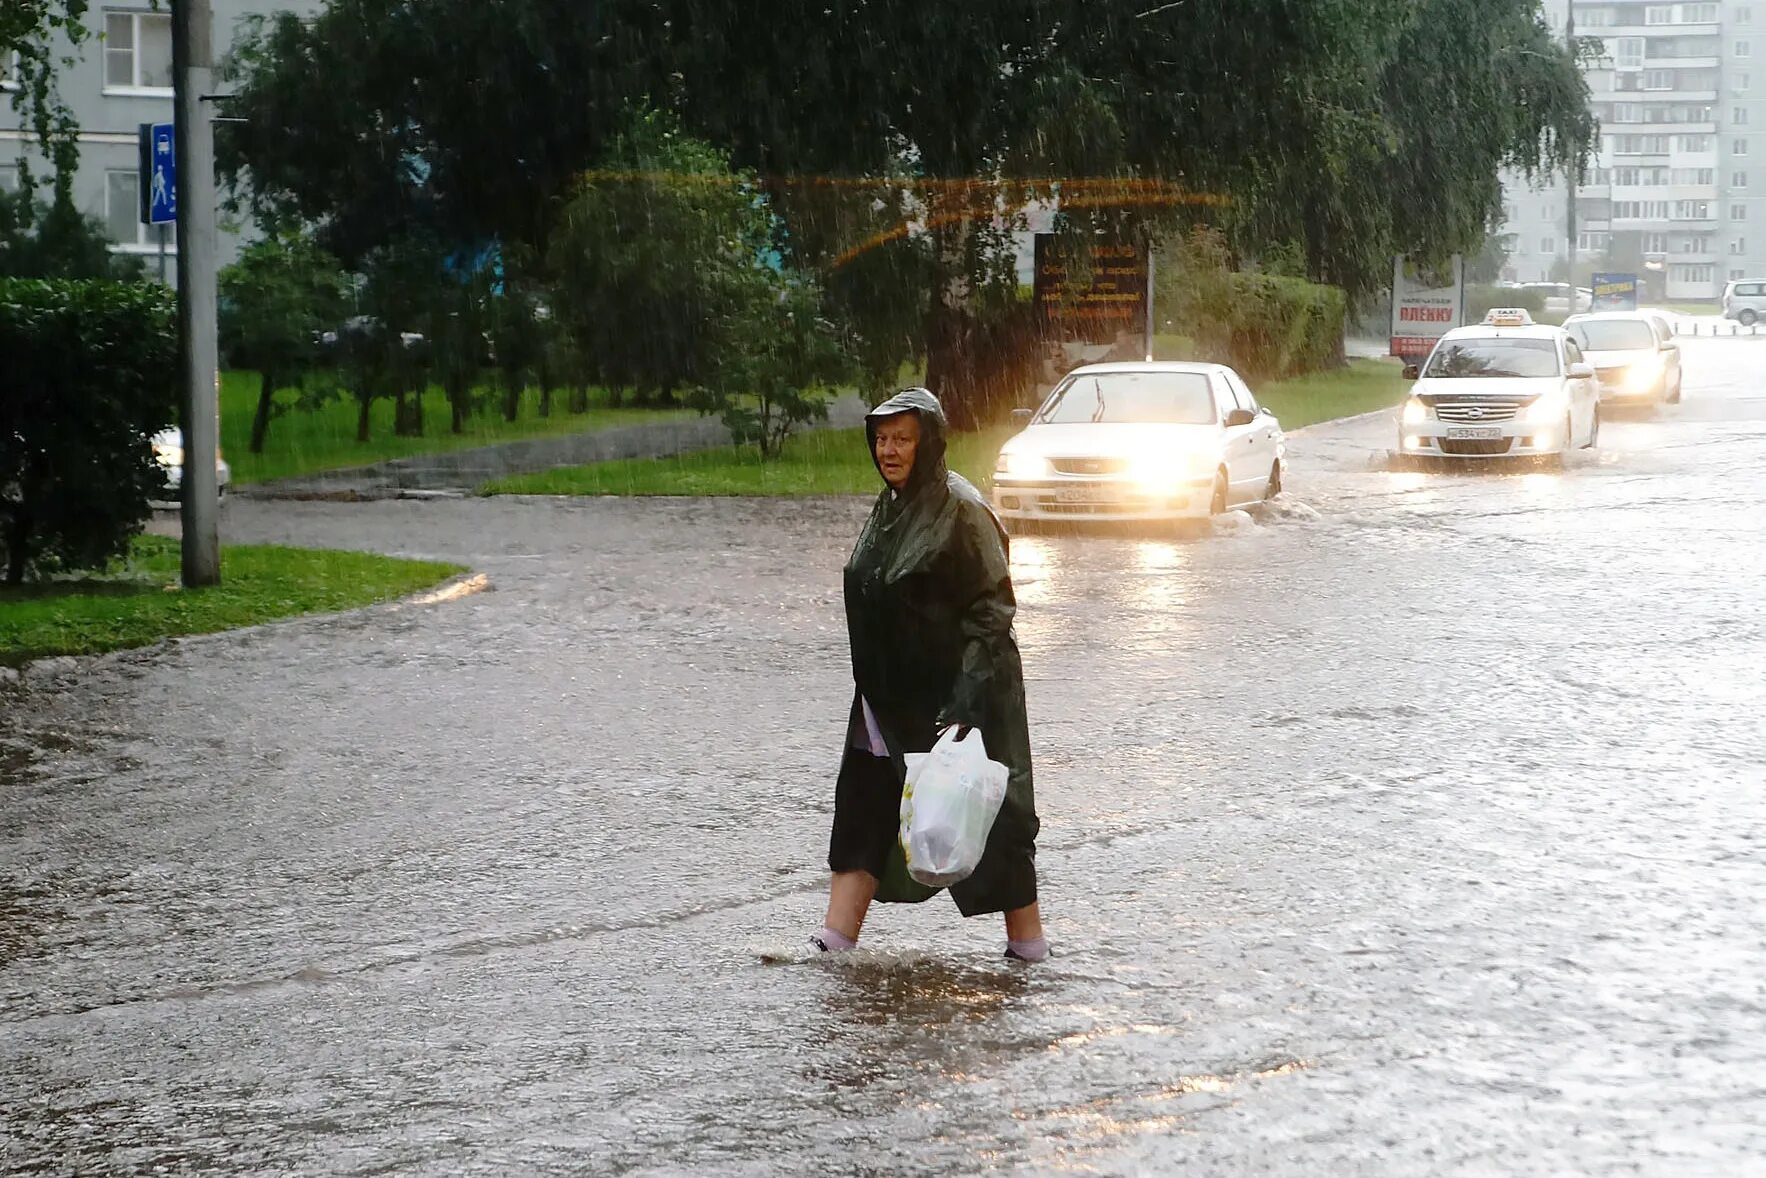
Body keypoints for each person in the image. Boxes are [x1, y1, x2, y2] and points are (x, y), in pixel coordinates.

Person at [811, 387, 1048, 962]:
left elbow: (993, 608)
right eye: (881, 439)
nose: (888, 451)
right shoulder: (889, 507)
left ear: (929, 442)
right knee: (864, 807)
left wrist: (965, 701)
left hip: (953, 697)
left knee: (986, 817)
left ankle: (1029, 948)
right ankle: (835, 939)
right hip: (884, 700)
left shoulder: (962, 509)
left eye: (902, 439)